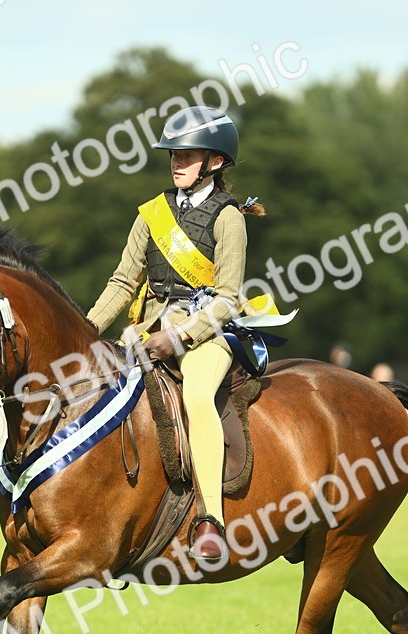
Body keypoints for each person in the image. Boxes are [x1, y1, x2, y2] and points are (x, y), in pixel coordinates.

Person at [86, 105, 265, 562]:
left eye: (187, 155)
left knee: (198, 396)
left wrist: (181, 338)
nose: (177, 162)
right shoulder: (151, 214)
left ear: (216, 161)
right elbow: (123, 281)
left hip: (206, 334)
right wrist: (86, 329)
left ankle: (210, 520)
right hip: (146, 327)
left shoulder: (229, 218)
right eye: (173, 154)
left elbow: (227, 298)